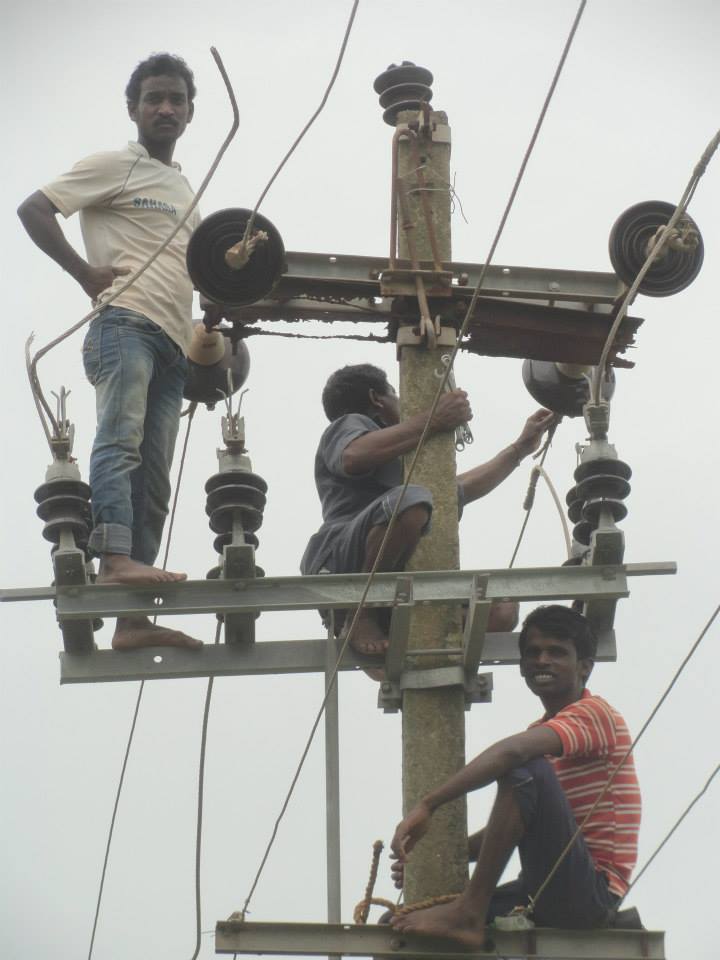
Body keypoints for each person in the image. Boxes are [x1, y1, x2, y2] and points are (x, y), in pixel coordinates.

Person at [18, 53, 203, 650]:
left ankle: (132, 621)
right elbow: (34, 208)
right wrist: (83, 273)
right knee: (119, 442)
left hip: (174, 345)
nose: (166, 108)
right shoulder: (115, 165)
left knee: (154, 480)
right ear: (135, 108)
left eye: (176, 99)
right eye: (155, 98)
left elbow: (193, 270)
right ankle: (115, 559)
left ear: (189, 111)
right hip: (125, 323)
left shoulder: (183, 190)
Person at [389, 605, 640, 946]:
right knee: (398, 923)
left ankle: (468, 915)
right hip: (544, 888)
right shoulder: (544, 734)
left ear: (584, 667)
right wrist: (437, 856)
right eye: (533, 653)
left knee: (524, 769)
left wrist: (429, 804)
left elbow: (514, 755)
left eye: (557, 652)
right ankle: (465, 914)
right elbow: (515, 819)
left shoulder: (595, 714)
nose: (542, 660)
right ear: (522, 666)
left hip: (590, 892)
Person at [300, 363, 555, 655]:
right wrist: (433, 420)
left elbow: (457, 489)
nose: (401, 402)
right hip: (344, 560)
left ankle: (425, 643)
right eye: (395, 394)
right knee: (411, 501)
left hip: (394, 577)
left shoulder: (404, 465)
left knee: (502, 609)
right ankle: (361, 614)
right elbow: (353, 456)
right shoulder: (350, 424)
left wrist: (520, 448)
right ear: (376, 399)